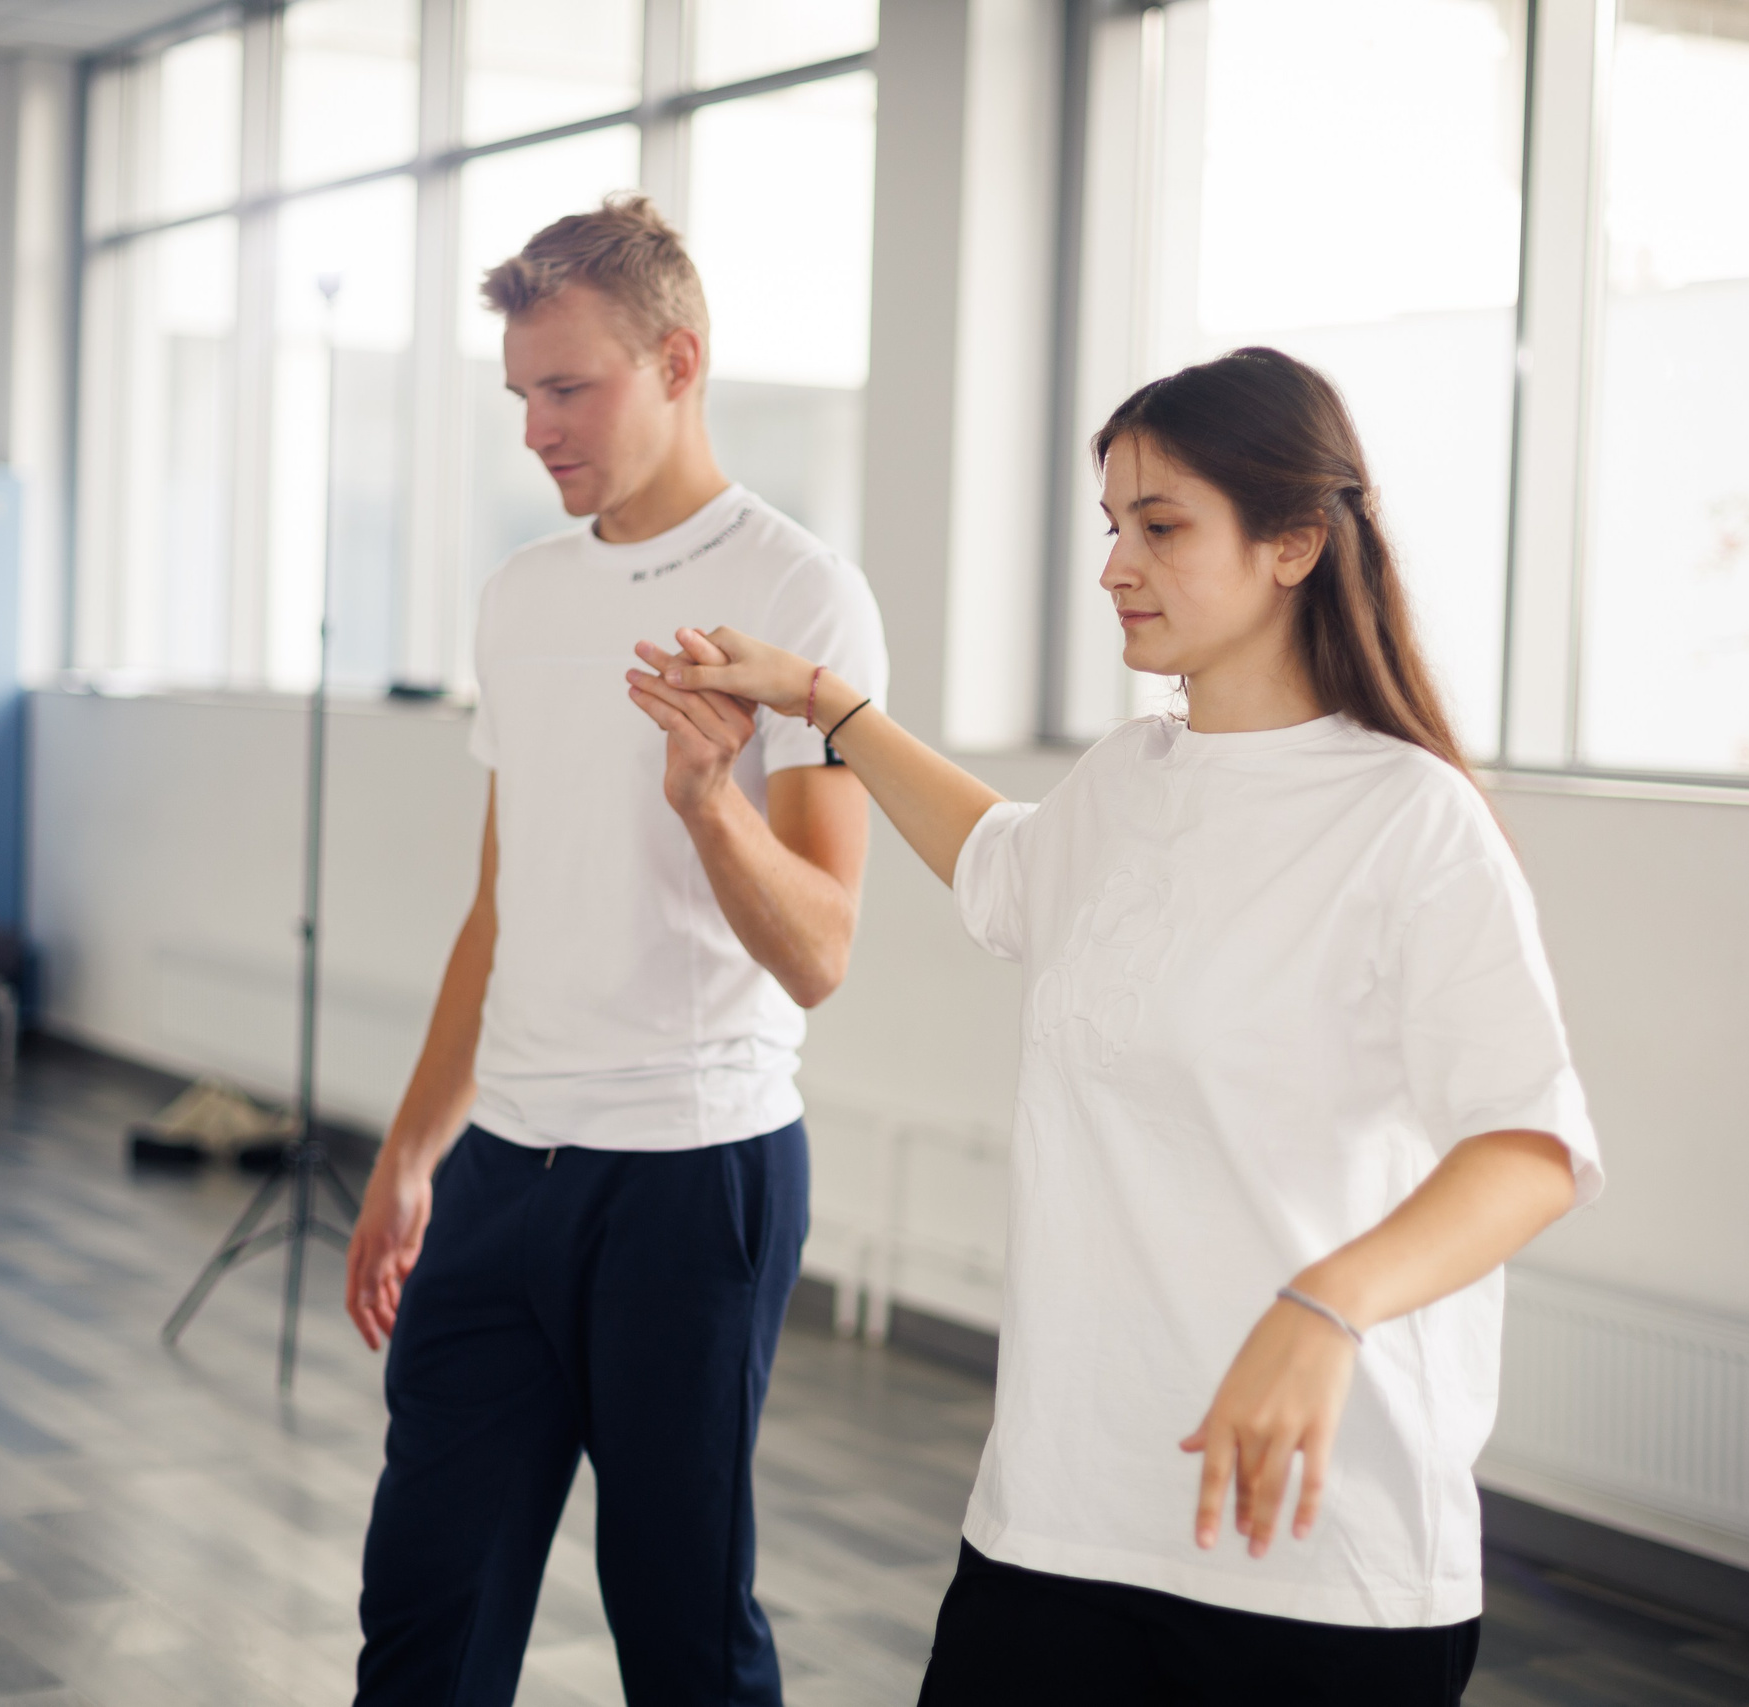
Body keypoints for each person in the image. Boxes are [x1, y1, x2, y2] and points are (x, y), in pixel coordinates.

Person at [629, 347, 1605, 1707]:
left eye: (1162, 526)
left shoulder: (1409, 821)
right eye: (1111, 526)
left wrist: (1327, 1307)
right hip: (1060, 1518)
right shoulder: (1131, 776)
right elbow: (999, 863)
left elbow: (1529, 1147)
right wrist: (821, 705)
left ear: (1295, 545)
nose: (1115, 565)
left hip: (1313, 1558)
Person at [344, 196, 888, 1707]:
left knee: (682, 1634)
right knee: (422, 1615)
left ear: (679, 363)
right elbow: (500, 907)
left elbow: (823, 950)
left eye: (567, 387)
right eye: (520, 393)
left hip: (692, 1178)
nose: (536, 430)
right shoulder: (522, 599)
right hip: (501, 1174)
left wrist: (711, 801)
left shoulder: (798, 594)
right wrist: (410, 1155)